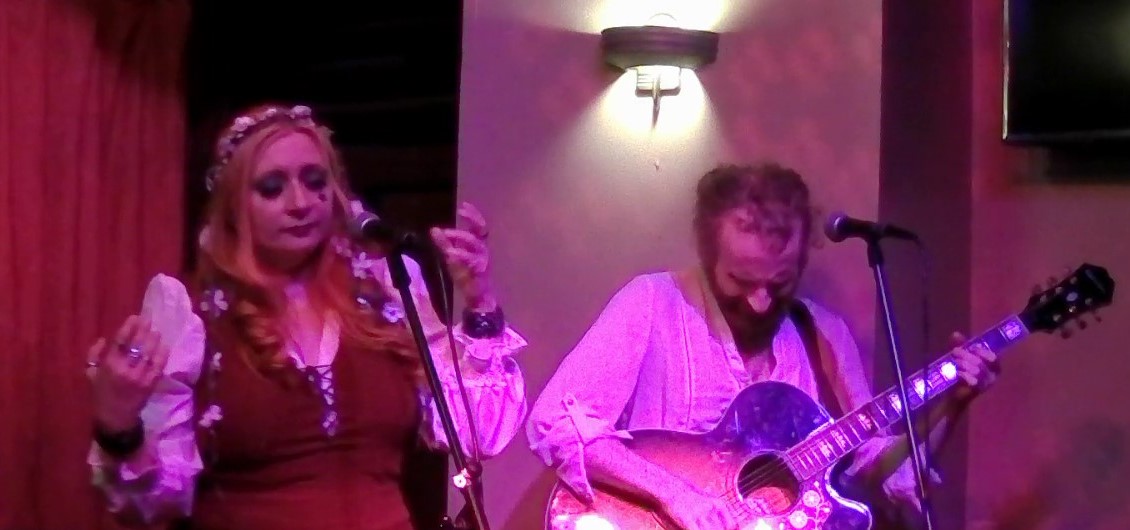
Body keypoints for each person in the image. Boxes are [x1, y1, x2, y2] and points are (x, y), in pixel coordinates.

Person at [85, 103, 528, 530]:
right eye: (272, 188)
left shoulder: (386, 286)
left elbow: (478, 437)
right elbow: (151, 504)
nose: (300, 202)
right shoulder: (191, 311)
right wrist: (119, 426)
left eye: (315, 181)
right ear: (233, 204)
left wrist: (479, 303)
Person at [526, 162, 1000, 530]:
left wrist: (953, 403)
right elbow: (557, 426)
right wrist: (674, 494)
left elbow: (876, 473)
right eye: (740, 281)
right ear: (707, 254)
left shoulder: (824, 334)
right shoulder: (652, 302)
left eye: (779, 283)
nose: (759, 302)